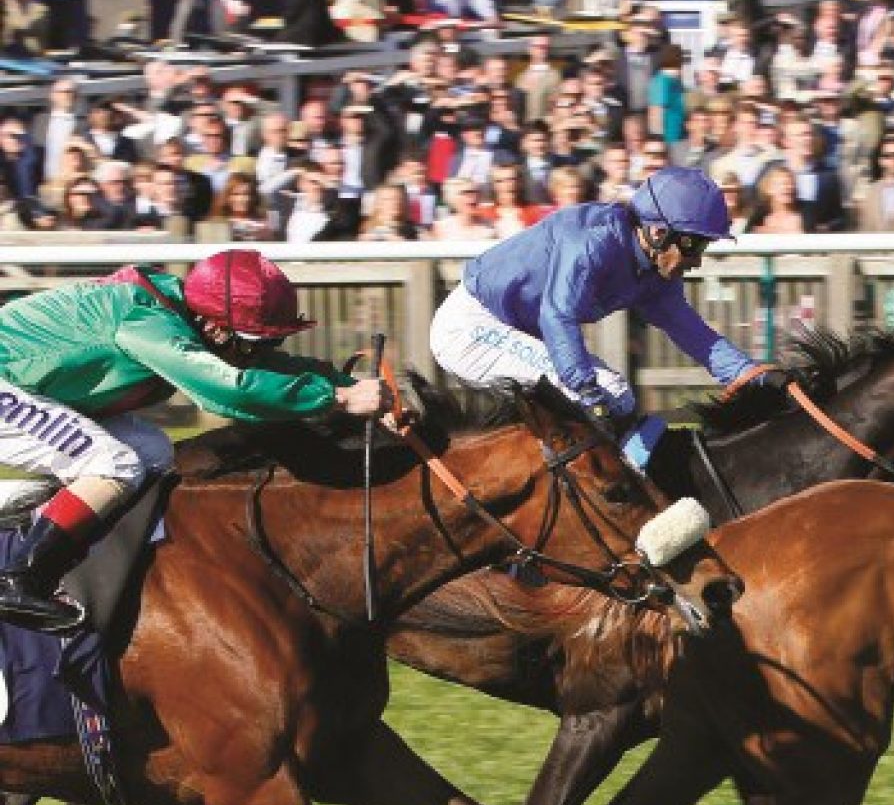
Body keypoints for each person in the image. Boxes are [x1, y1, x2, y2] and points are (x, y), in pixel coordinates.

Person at [0, 251, 388, 631]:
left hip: (20, 386)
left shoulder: (187, 316)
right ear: (216, 328)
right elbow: (229, 387)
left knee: (152, 450)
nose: (266, 351)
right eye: (260, 342)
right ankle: (22, 578)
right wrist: (339, 397)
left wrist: (346, 383)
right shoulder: (147, 322)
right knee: (113, 464)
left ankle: (50, 536)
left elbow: (250, 364)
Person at [428, 166, 790, 475]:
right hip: (471, 328)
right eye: (694, 246)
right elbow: (559, 314)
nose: (696, 261)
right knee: (610, 392)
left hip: (516, 327)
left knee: (611, 396)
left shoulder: (655, 270)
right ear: (659, 232)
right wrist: (585, 389)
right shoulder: (592, 241)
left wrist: (750, 375)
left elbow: (692, 332)